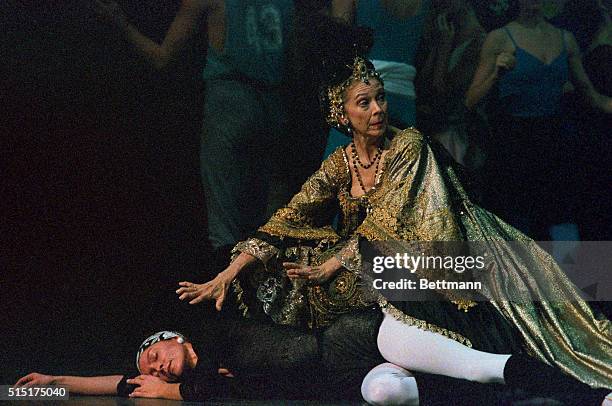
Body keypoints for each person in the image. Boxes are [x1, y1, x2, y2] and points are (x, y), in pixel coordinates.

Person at [175, 55, 612, 403]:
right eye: (364, 102)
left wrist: (334, 265)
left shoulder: (408, 145)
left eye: (380, 98)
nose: (378, 109)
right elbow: (288, 216)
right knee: (278, 265)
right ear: (341, 114)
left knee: (563, 317)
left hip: (448, 249)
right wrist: (228, 274)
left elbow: (391, 217)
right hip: (382, 259)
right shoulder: (339, 163)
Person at [94, 0, 295, 256]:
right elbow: (292, 60)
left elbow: (162, 57)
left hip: (230, 104)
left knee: (225, 221)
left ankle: (228, 285)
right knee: (268, 212)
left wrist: (120, 24)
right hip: (273, 106)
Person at [464, 0, 612, 240]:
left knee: (554, 225)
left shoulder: (565, 39)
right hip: (513, 145)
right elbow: (470, 100)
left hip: (553, 144)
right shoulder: (500, 38)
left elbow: (593, 97)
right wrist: (495, 74)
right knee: (516, 224)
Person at [414, 0, 487, 170]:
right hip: (431, 129)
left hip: (457, 139)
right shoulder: (446, 33)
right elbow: (422, 87)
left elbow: (442, 92)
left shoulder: (479, 43)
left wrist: (444, 49)